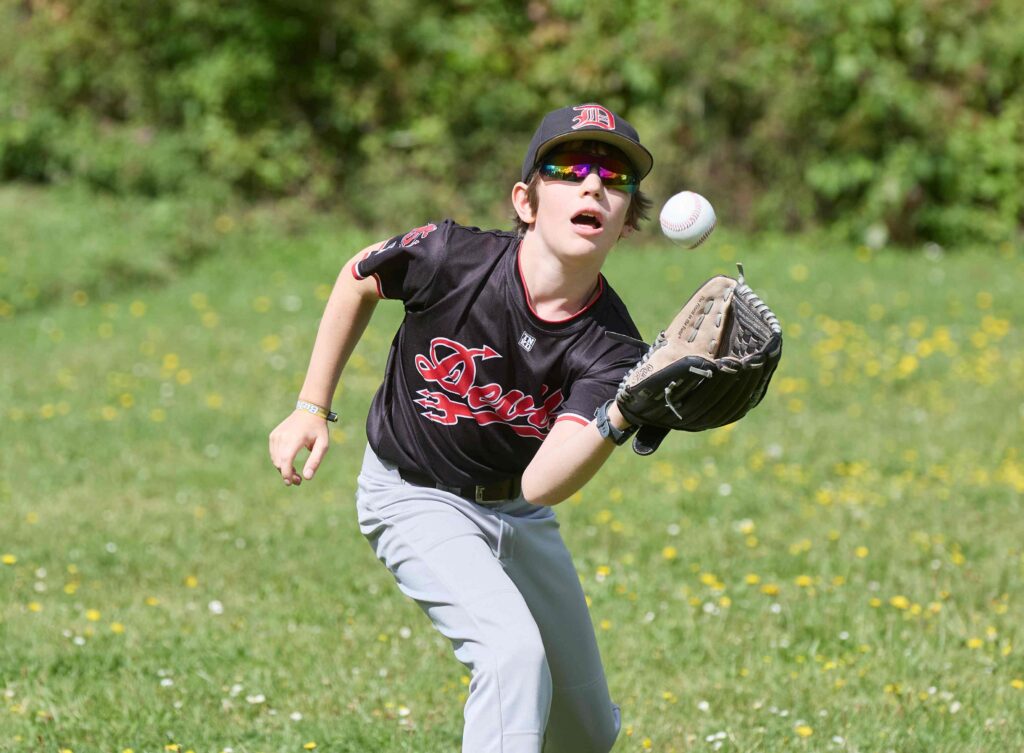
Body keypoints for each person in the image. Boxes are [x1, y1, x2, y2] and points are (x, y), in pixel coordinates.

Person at [269, 102, 654, 753]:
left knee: (585, 732)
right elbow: (358, 276)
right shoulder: (454, 258)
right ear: (525, 202)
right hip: (413, 493)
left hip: (519, 512)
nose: (594, 184)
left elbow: (543, 482)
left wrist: (621, 411)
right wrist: (312, 405)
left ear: (625, 224)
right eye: (568, 167)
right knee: (510, 656)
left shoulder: (613, 345)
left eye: (616, 178)